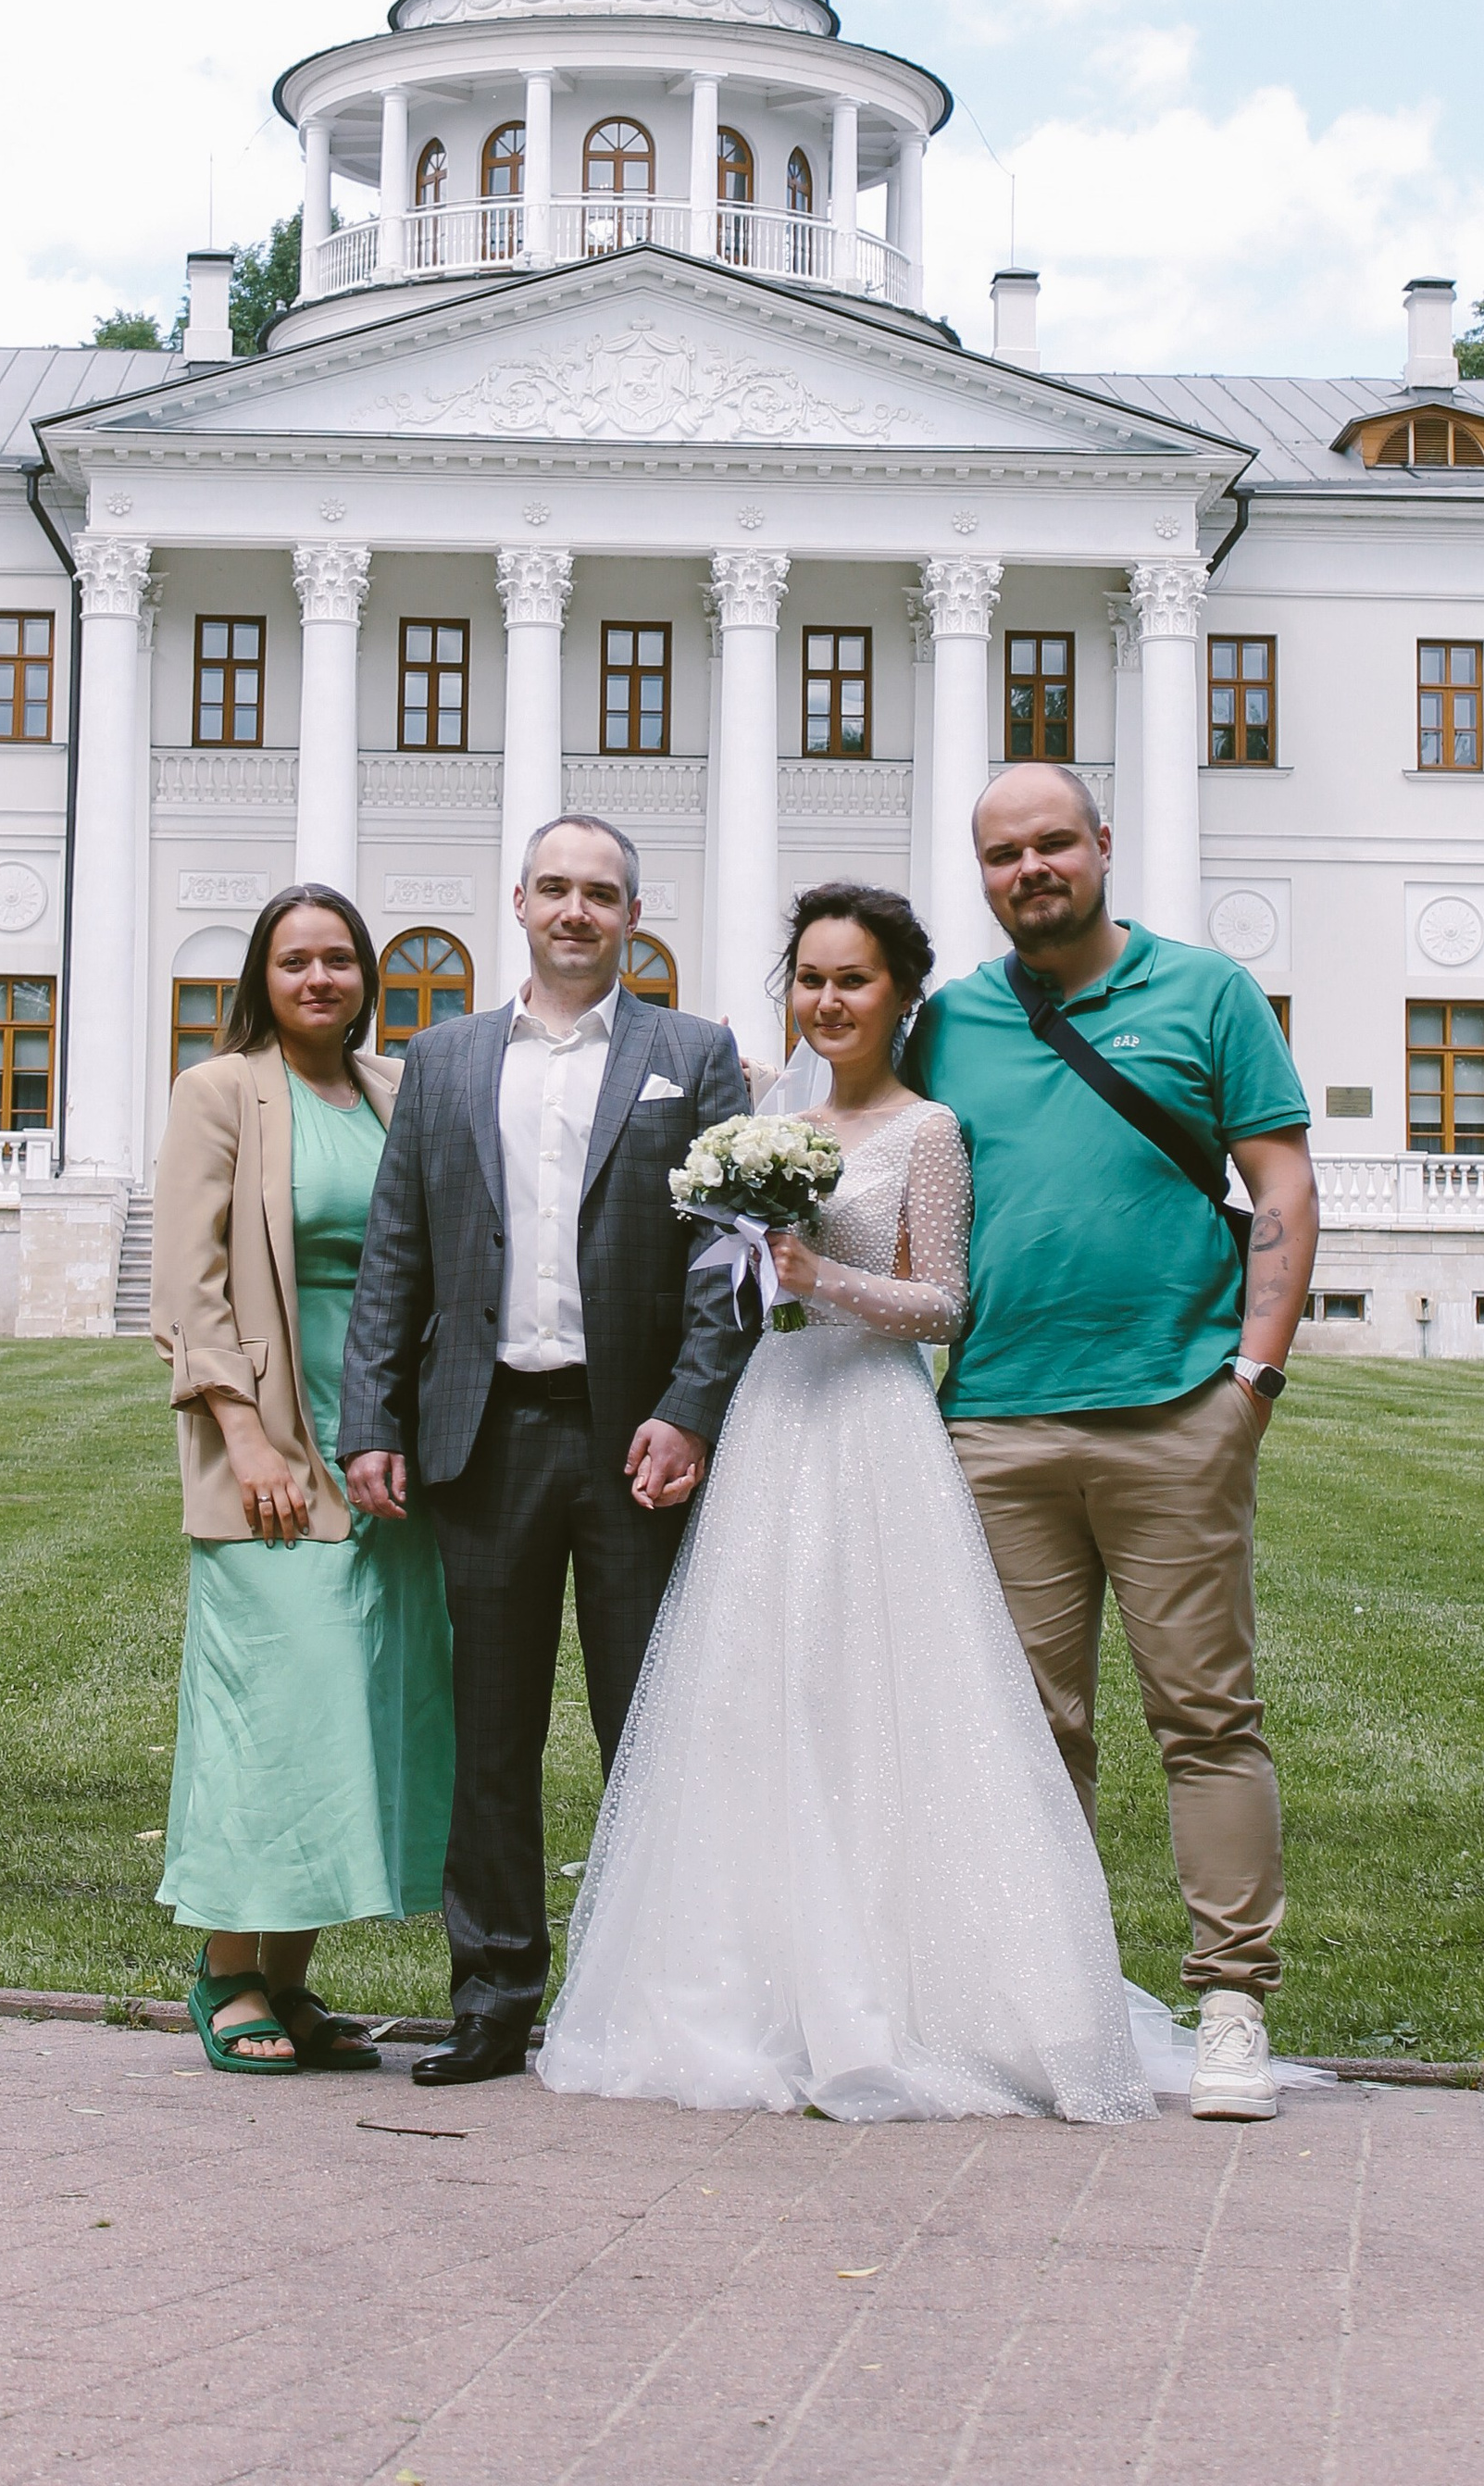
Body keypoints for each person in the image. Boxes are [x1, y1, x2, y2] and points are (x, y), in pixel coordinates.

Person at [538, 883, 1156, 2125]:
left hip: (872, 1421)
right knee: (758, 1691)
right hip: (774, 1415)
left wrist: (825, 1279)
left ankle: (900, 1988)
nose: (829, 1000)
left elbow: (946, 1307)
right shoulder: (768, 1118)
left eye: (853, 979)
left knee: (886, 1695)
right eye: (811, 978)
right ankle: (752, 1983)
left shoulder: (928, 1131)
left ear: (900, 994)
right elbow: (727, 1287)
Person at [907, 762, 1317, 2122]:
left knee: (1204, 1717)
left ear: (1102, 846)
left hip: (1171, 1410)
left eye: (1052, 845)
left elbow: (1282, 1185)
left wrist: (1250, 1380)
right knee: (1026, 1734)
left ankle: (1232, 2003)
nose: (1031, 870)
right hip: (996, 1420)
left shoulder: (1206, 994)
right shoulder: (952, 1022)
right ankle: (1054, 2001)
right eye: (1003, 854)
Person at [341, 817, 751, 2089]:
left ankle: (656, 1993)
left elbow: (725, 1254)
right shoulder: (447, 1059)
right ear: (517, 901)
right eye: (557, 889)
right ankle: (496, 1994)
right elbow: (395, 1252)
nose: (578, 910)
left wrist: (689, 1409)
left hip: (632, 1439)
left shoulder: (694, 1054)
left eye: (604, 894)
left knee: (648, 1726)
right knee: (492, 1732)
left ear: (633, 914)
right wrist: (371, 1421)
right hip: (486, 1436)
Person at [151, 883, 453, 2073]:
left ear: (367, 977)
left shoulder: (395, 1091)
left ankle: (289, 1980)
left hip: (386, 1441)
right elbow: (189, 1287)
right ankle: (225, 1974)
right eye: (295, 962)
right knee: (273, 1708)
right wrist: (246, 1434)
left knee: (349, 1719)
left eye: (339, 960)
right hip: (273, 1440)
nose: (320, 979)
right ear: (260, 981)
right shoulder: (219, 1091)